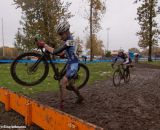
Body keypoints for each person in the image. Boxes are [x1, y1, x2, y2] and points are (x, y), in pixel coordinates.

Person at [35, 21, 84, 109]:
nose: (60, 37)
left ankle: (62, 107)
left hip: (73, 64)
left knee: (63, 82)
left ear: (66, 31)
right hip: (70, 61)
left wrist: (45, 45)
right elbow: (62, 51)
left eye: (61, 34)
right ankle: (80, 97)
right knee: (70, 85)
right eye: (59, 35)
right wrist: (62, 54)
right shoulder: (68, 40)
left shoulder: (70, 41)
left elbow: (56, 51)